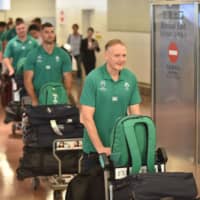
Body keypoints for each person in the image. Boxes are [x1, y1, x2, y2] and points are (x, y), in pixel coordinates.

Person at [80, 39, 141, 172]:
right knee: (94, 191)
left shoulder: (130, 78)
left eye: (124, 55)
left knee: (120, 191)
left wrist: (135, 145)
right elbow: (87, 118)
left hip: (120, 148)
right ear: (106, 56)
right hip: (94, 150)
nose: (121, 59)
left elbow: (136, 116)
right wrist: (100, 148)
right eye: (117, 56)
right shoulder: (93, 78)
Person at [23, 22, 74, 106]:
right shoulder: (32, 54)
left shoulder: (63, 55)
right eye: (46, 32)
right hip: (39, 98)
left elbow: (68, 79)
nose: (50, 35)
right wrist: (34, 99)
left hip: (57, 98)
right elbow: (27, 80)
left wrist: (64, 97)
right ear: (41, 34)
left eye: (52, 32)